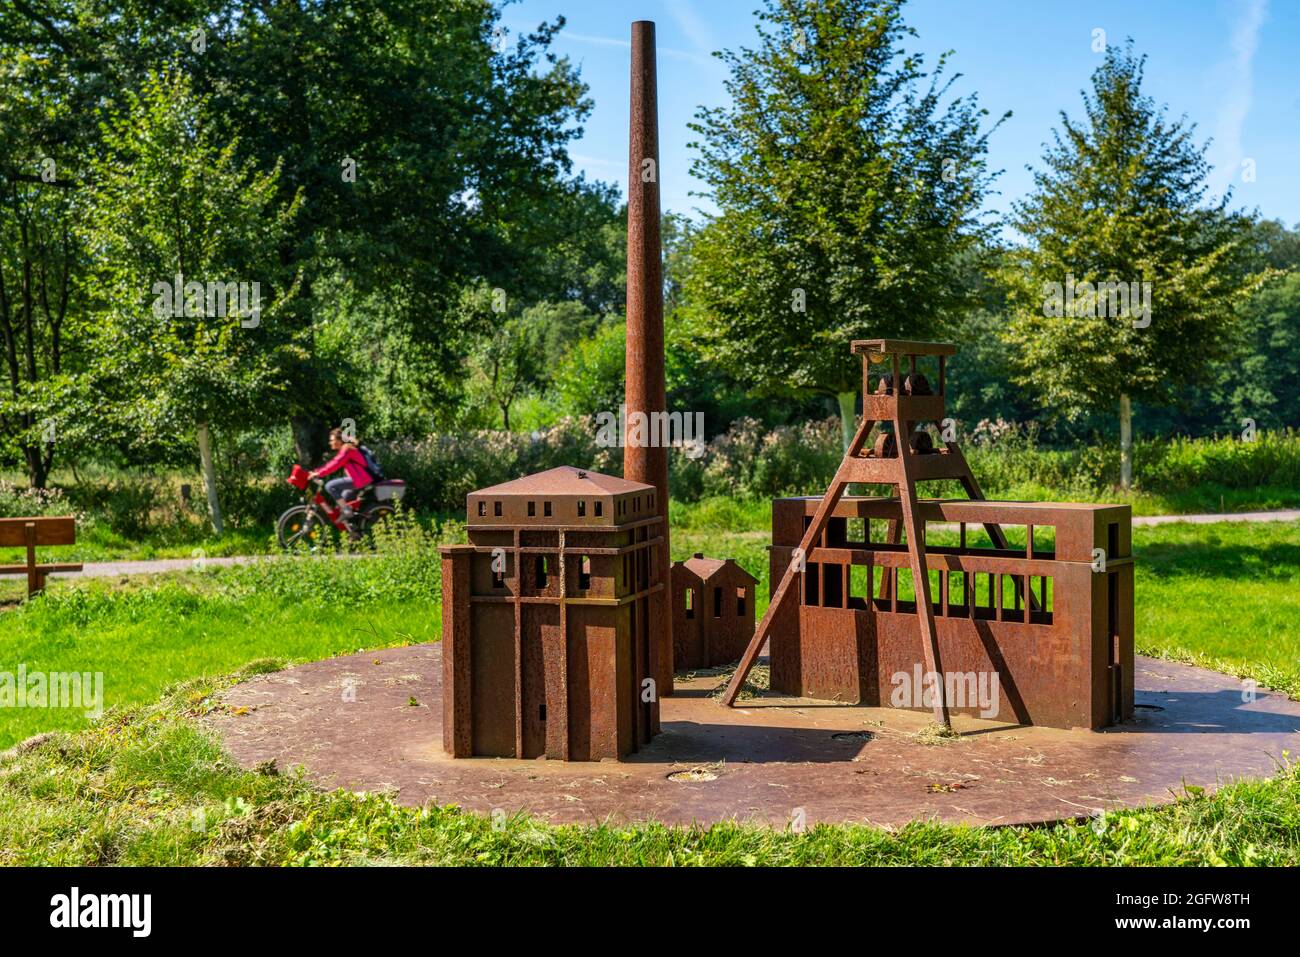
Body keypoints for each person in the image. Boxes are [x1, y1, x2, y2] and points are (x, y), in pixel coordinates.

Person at [309, 427, 374, 516]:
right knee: (341, 503)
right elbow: (333, 463)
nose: (330, 443)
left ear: (339, 441)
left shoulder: (346, 449)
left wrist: (319, 473)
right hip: (360, 479)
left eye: (332, 440)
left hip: (360, 479)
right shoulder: (345, 448)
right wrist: (317, 471)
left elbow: (335, 464)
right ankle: (351, 526)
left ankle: (347, 511)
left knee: (330, 486)